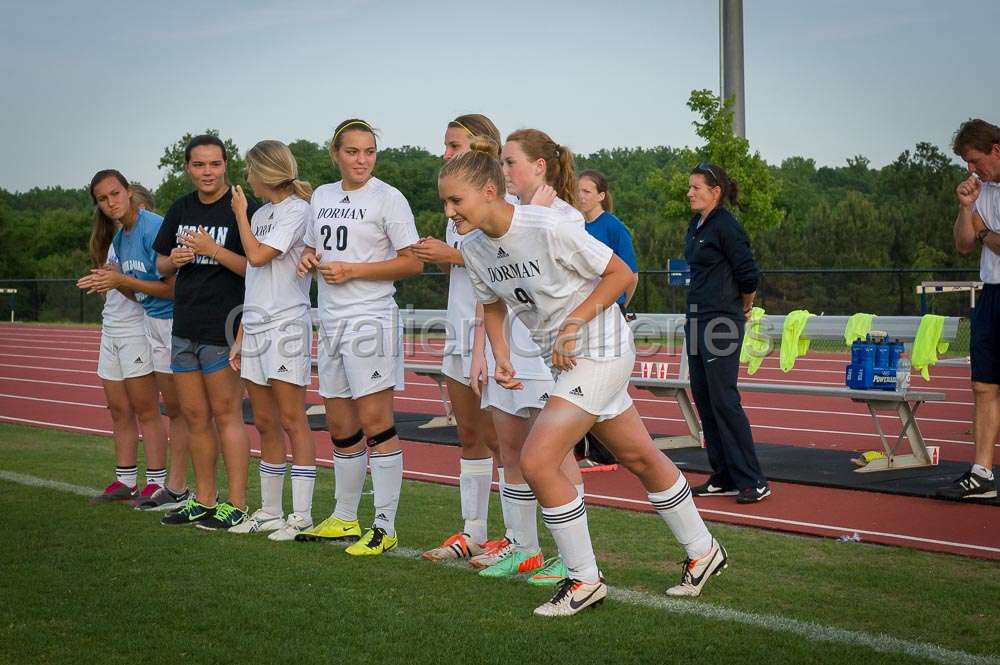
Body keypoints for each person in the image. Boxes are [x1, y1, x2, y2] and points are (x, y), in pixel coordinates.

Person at [441, 144, 727, 617]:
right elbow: (492, 303)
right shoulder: (472, 248)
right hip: (563, 360)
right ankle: (704, 549)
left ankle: (583, 579)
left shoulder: (549, 226)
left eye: (457, 202)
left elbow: (620, 274)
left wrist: (572, 323)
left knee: (538, 459)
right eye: (446, 204)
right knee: (638, 454)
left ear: (489, 191)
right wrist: (502, 355)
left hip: (602, 346)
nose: (450, 213)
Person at [295, 119, 422, 556]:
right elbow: (316, 246)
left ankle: (385, 526)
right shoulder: (323, 196)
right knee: (340, 425)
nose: (362, 160)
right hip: (329, 320)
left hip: (370, 321)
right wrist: (310, 257)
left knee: (376, 424)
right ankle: (345, 518)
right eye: (352, 152)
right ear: (335, 154)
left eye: (369, 151)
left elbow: (412, 263)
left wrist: (355, 271)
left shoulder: (390, 198)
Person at [411, 114, 511, 564]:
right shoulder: (456, 205)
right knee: (469, 433)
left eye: (453, 145)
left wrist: (447, 254)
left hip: (493, 335)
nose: (445, 152)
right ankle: (472, 531)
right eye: (446, 145)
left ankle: (514, 538)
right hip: (459, 330)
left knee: (503, 439)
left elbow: (493, 265)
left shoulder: (496, 199)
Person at [153, 134, 257, 529]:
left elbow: (257, 267)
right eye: (199, 165)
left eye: (214, 164)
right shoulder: (180, 207)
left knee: (227, 415)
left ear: (225, 165)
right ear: (188, 168)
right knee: (195, 417)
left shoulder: (241, 205)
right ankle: (205, 499)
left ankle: (236, 503)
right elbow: (160, 265)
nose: (207, 172)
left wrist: (212, 250)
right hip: (185, 326)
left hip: (224, 326)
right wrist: (174, 259)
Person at [226, 140, 318, 539]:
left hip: (286, 325)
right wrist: (241, 335)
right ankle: (269, 511)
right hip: (258, 326)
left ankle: (301, 515)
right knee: (264, 421)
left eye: (249, 170)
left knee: (292, 419)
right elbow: (254, 278)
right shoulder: (262, 213)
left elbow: (259, 256)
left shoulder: (298, 210)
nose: (245, 178)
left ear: (264, 171)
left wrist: (240, 215)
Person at [85, 178, 192, 512]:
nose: (111, 202)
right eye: (103, 198)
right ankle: (130, 479)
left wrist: (120, 281)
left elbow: (168, 287)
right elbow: (136, 291)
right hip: (139, 324)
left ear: (130, 196)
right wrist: (112, 282)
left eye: (115, 194)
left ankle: (164, 483)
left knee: (170, 410)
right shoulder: (118, 237)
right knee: (122, 408)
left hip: (160, 325)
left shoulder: (152, 228)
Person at [684, 162, 768, 504]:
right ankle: (723, 475)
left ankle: (752, 479)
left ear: (715, 192)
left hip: (721, 320)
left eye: (696, 188)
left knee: (723, 398)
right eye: (689, 187)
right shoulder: (695, 224)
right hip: (695, 318)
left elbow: (748, 274)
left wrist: (743, 307)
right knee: (704, 397)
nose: (689, 193)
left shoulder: (727, 226)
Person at [937, 119, 1000, 500]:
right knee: (983, 385)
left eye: (975, 160)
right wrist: (967, 210)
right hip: (991, 293)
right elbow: (963, 243)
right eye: (966, 162)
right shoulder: (981, 192)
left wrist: (982, 232)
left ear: (996, 149)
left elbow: (983, 238)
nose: (971, 169)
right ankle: (982, 473)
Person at [576, 170, 639, 312]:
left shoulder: (615, 228)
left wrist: (622, 307)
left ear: (601, 196)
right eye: (578, 191)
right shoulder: (576, 225)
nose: (580, 196)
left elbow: (632, 277)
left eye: (586, 191)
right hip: (583, 306)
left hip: (610, 307)